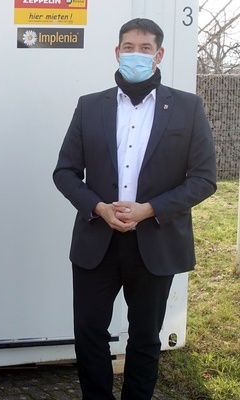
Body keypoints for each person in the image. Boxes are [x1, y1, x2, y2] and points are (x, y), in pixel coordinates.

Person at [53, 18, 217, 400]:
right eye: (129, 47)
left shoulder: (188, 108)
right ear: (117, 52)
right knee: (89, 333)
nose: (136, 55)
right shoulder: (90, 106)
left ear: (159, 55)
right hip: (97, 240)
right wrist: (98, 207)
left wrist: (150, 209)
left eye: (145, 48)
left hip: (155, 241)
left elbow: (204, 178)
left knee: (145, 337)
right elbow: (64, 172)